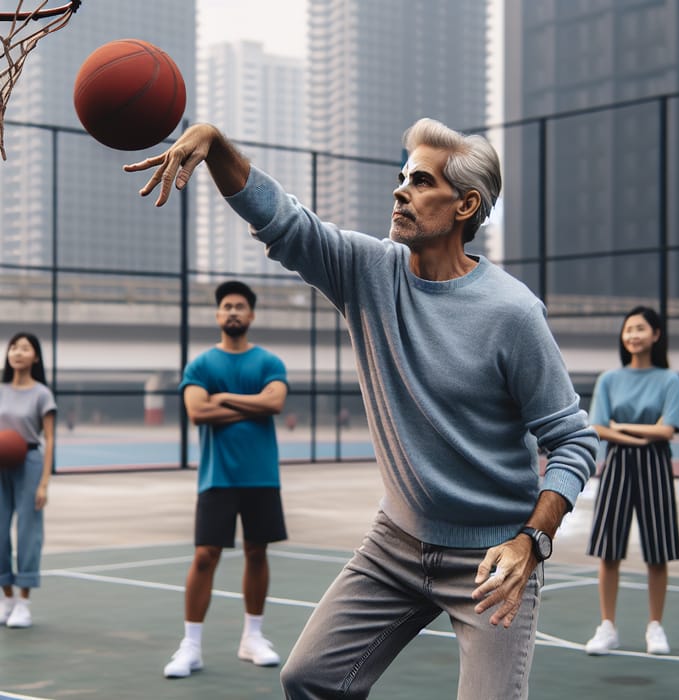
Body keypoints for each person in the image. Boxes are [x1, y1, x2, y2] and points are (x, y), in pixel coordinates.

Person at [125, 118, 599, 699]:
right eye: (401, 177)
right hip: (396, 541)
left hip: (492, 555)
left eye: (421, 181)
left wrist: (531, 542)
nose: (400, 190)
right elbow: (285, 221)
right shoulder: (368, 271)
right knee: (309, 677)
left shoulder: (513, 314)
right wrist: (216, 145)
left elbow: (573, 440)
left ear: (465, 205)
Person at [162, 280, 289, 679]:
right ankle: (191, 646)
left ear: (251, 315)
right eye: (226, 307)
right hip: (217, 477)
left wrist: (223, 398)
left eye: (240, 306)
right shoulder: (200, 365)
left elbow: (275, 403)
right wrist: (251, 406)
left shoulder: (269, 361)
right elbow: (197, 413)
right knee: (205, 556)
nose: (233, 311)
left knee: (257, 553)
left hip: (261, 477)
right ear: (218, 316)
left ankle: (253, 637)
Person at [584, 306, 679, 656]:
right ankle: (607, 626)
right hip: (617, 464)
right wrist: (642, 434)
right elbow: (597, 426)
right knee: (608, 551)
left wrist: (623, 427)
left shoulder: (669, 379)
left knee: (658, 552)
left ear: (656, 335)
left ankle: (655, 627)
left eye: (640, 329)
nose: (633, 335)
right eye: (628, 330)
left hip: (656, 465)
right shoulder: (609, 379)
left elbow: (667, 429)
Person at [0, 332, 57, 628]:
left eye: (25, 348)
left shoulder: (42, 394)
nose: (17, 352)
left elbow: (49, 439)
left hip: (30, 462)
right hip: (0, 464)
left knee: (27, 535)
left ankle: (23, 602)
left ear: (35, 357)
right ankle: (6, 597)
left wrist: (44, 483)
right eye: (13, 348)